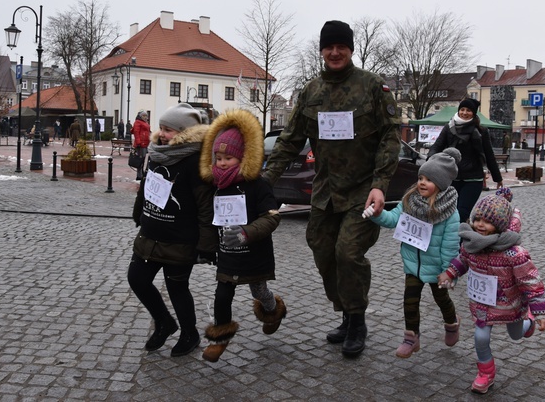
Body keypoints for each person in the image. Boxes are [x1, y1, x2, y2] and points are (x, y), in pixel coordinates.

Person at [262, 20, 401, 358]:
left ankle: (357, 321)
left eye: (341, 46)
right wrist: (263, 183)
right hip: (324, 192)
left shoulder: (372, 87)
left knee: (348, 253)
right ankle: (346, 310)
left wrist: (381, 184)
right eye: (329, 46)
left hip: (362, 192)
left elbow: (390, 137)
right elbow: (289, 140)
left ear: (350, 49)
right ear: (322, 50)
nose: (335, 52)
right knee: (323, 253)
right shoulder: (310, 92)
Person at [127, 103, 216, 357]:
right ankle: (165, 322)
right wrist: (139, 213)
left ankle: (190, 334)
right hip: (151, 232)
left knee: (177, 287)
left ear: (185, 133)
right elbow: (147, 187)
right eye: (162, 128)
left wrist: (206, 245)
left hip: (181, 238)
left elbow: (205, 207)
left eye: (169, 130)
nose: (162, 134)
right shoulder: (157, 152)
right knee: (137, 278)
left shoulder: (195, 162)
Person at [438, 194, 545, 394]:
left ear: (499, 224)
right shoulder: (471, 244)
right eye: (478, 219)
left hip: (509, 305)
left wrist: (540, 310)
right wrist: (450, 273)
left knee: (516, 335)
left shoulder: (514, 254)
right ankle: (485, 373)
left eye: (488, 221)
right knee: (480, 337)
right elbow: (463, 260)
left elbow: (530, 280)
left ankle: (529, 323)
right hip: (481, 304)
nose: (480, 225)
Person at [198, 109, 286, 362]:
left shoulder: (258, 184)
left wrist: (247, 233)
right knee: (222, 296)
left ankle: (273, 311)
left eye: (229, 158)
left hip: (254, 254)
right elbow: (208, 219)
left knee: (260, 292)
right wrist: (205, 247)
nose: (223, 163)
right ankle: (220, 339)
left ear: (243, 157)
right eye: (218, 157)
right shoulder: (214, 185)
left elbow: (271, 217)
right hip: (228, 254)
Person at [363, 148, 462, 358]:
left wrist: (448, 272)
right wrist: (377, 214)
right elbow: (392, 220)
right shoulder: (409, 201)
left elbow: (450, 245)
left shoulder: (450, 213)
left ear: (442, 183)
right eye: (420, 178)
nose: (422, 183)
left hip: (438, 269)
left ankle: (452, 323)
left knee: (442, 300)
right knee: (410, 300)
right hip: (413, 265)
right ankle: (411, 337)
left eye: (429, 179)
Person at [427, 98, 503, 224]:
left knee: (461, 212)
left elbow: (489, 155)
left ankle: (459, 242)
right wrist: (430, 161)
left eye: (468, 110)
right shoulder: (449, 128)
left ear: (474, 113)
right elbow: (437, 146)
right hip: (452, 177)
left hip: (473, 178)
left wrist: (497, 178)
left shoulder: (481, 131)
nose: (464, 112)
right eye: (462, 109)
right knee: (449, 213)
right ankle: (457, 241)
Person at [131, 111, 151, 181]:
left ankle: (144, 173)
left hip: (146, 144)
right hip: (141, 144)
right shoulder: (138, 122)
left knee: (145, 159)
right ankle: (139, 175)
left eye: (146, 116)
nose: (146, 117)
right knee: (140, 160)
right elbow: (136, 132)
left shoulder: (145, 122)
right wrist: (138, 142)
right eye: (144, 116)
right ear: (140, 116)